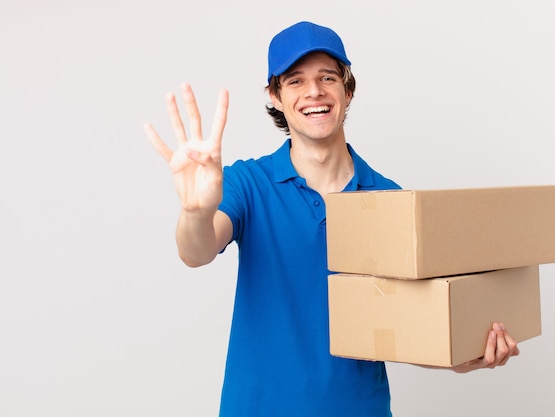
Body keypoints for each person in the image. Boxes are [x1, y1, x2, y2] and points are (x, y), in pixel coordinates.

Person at [144, 21, 519, 417]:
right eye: (294, 81)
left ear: (348, 90)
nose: (314, 92)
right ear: (274, 96)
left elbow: (404, 326)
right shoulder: (248, 184)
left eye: (328, 77)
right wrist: (195, 212)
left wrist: (460, 355)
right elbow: (196, 250)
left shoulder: (389, 199)